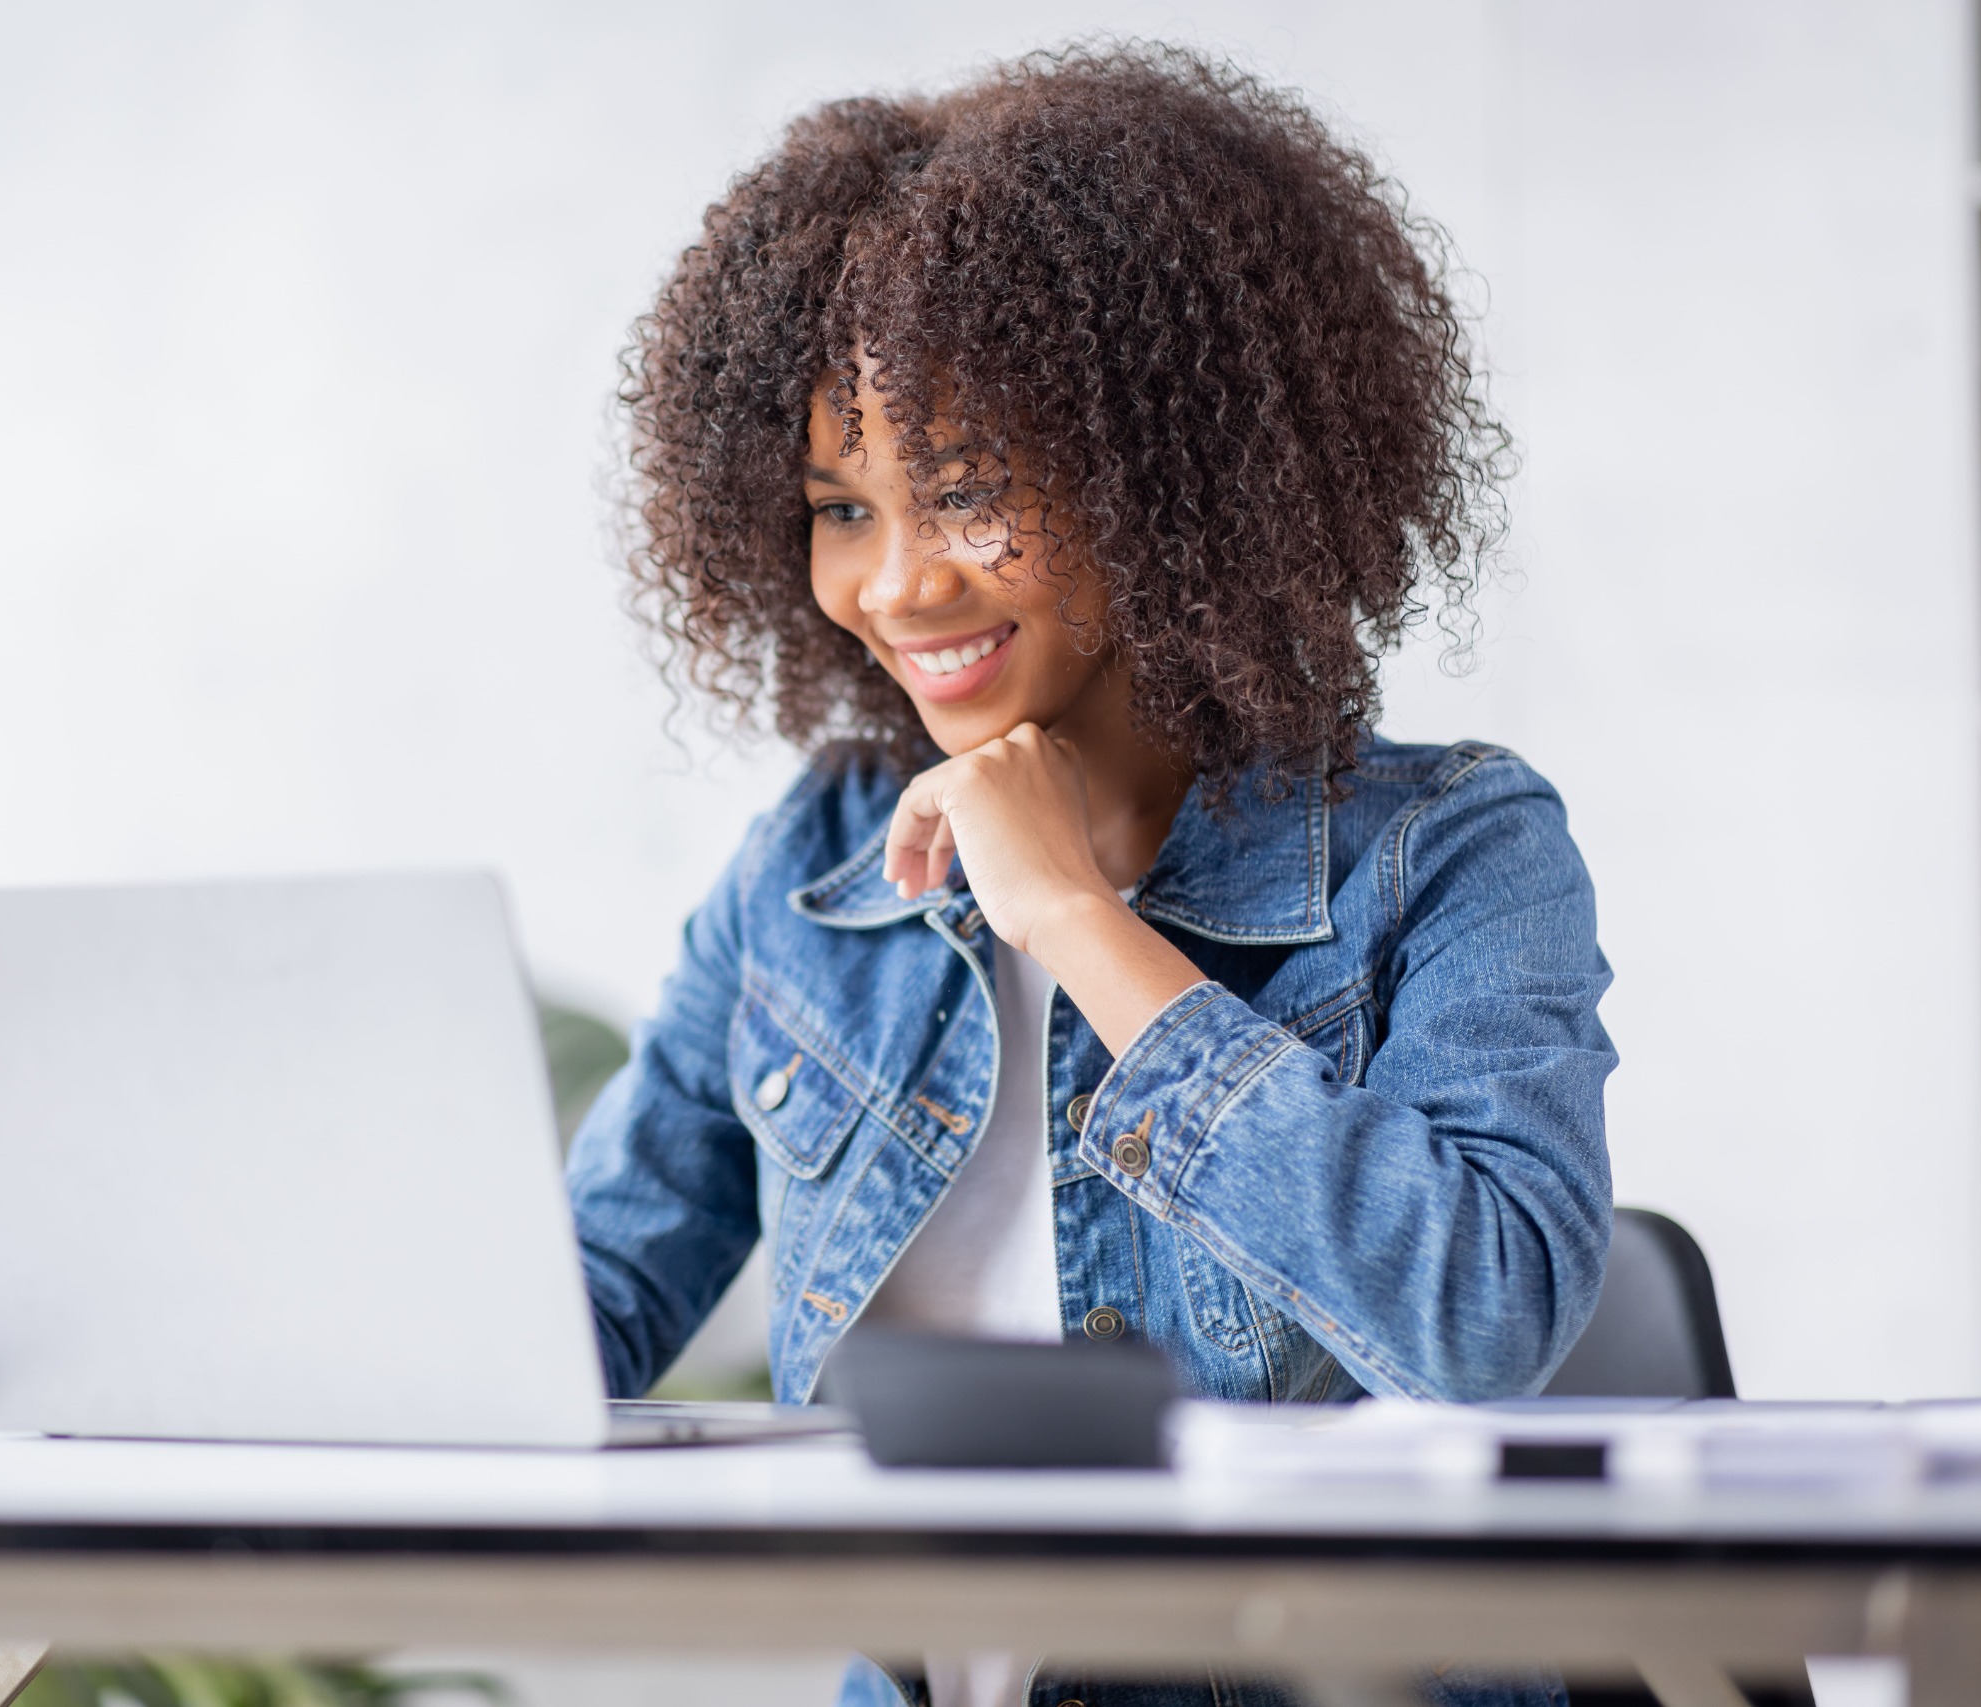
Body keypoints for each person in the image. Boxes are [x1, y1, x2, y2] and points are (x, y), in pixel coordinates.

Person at [566, 42, 1614, 1707]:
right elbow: (578, 1317)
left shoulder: (1453, 854)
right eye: (842, 509)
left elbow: (1475, 1323)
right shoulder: (812, 874)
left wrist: (1073, 919)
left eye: (968, 495)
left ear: (1171, 479)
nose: (898, 583)